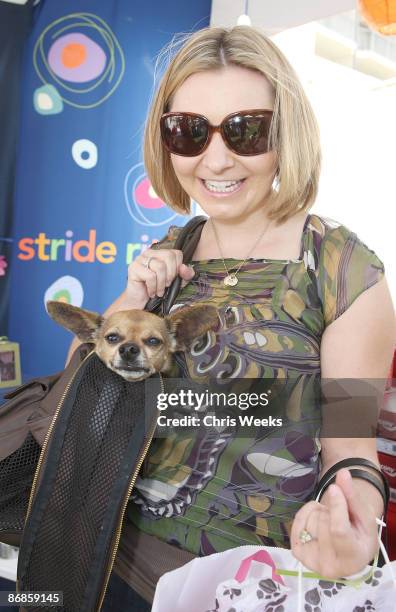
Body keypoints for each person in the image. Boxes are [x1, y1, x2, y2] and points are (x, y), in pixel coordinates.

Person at [67, 25, 395, 610]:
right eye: (189, 131)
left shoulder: (342, 271)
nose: (216, 158)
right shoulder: (172, 250)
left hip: (244, 584)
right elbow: (78, 391)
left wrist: (355, 526)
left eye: (246, 130)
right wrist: (133, 293)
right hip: (98, 556)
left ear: (285, 135)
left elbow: (349, 445)